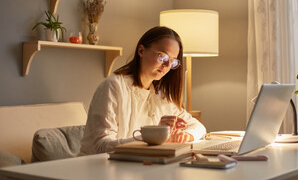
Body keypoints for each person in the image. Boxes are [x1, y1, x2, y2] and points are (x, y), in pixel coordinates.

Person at [79, 26, 206, 155]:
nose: (167, 66)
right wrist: (154, 135)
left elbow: (198, 127)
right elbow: (101, 146)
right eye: (162, 57)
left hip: (137, 167)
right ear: (141, 50)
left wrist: (186, 135)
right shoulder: (114, 87)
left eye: (172, 61)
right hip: (97, 168)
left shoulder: (161, 95)